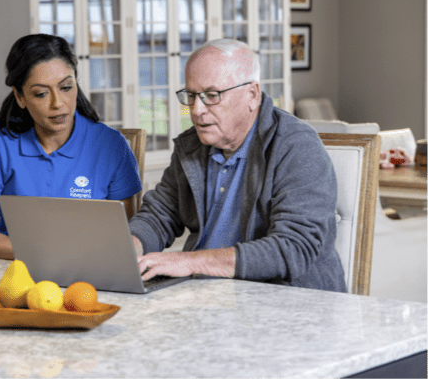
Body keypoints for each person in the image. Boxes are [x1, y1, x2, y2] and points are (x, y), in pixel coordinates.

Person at [130, 39, 346, 292]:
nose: (197, 110)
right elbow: (159, 215)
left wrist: (189, 262)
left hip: (283, 300)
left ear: (252, 95)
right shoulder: (192, 145)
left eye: (211, 95)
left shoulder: (297, 146)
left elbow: (293, 249)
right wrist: (130, 246)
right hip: (205, 296)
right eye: (191, 96)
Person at [0, 34, 143, 260]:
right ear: (20, 97)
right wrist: (43, 253)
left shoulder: (111, 146)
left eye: (66, 87)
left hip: (88, 270)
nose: (58, 103)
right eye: (41, 93)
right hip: (13, 266)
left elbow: (125, 238)